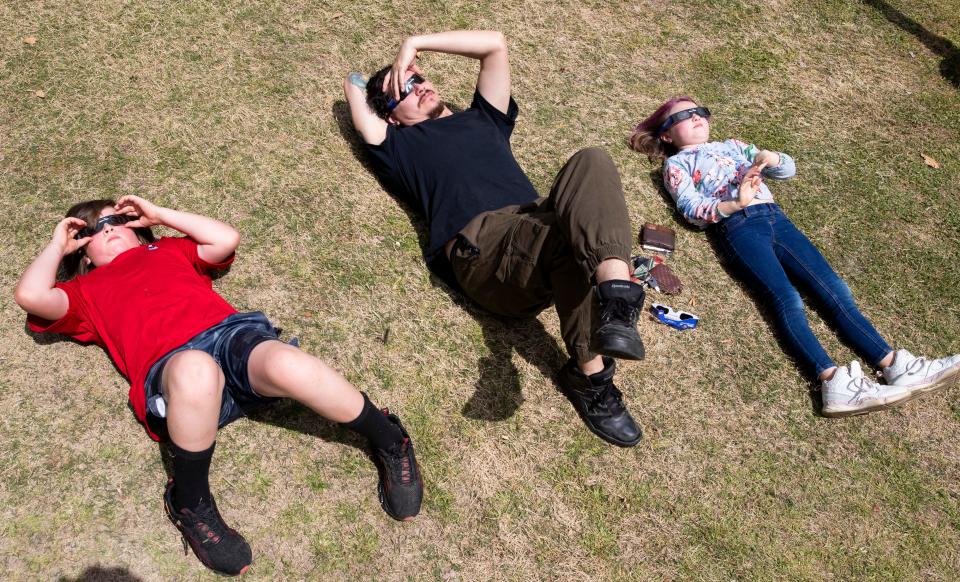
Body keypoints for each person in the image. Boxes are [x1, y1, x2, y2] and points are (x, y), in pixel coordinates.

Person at [14, 196, 423, 576]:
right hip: (172, 367)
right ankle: (190, 502)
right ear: (81, 252)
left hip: (229, 336)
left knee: (287, 362)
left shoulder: (168, 250)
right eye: (92, 229)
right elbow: (31, 295)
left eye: (117, 219)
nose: (107, 228)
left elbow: (226, 238)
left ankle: (390, 438)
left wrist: (159, 214)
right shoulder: (82, 292)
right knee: (195, 369)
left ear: (138, 228)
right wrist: (56, 245)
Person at [343, 30, 647, 447]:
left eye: (421, 77)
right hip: (483, 250)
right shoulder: (398, 144)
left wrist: (415, 44)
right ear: (391, 116)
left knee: (591, 160)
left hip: (535, 226)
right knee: (567, 242)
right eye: (406, 89)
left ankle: (615, 297)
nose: (421, 85)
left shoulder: (484, 117)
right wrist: (389, 77)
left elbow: (495, 45)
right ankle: (593, 375)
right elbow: (355, 85)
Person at [629, 97, 960, 416]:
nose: (697, 117)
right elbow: (691, 211)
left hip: (778, 220)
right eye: (683, 116)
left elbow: (787, 170)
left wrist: (772, 159)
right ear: (667, 134)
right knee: (786, 299)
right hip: (738, 228)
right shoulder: (677, 163)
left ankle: (896, 365)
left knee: (832, 287)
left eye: (700, 111)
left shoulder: (733, 145)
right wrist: (736, 203)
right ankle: (834, 382)